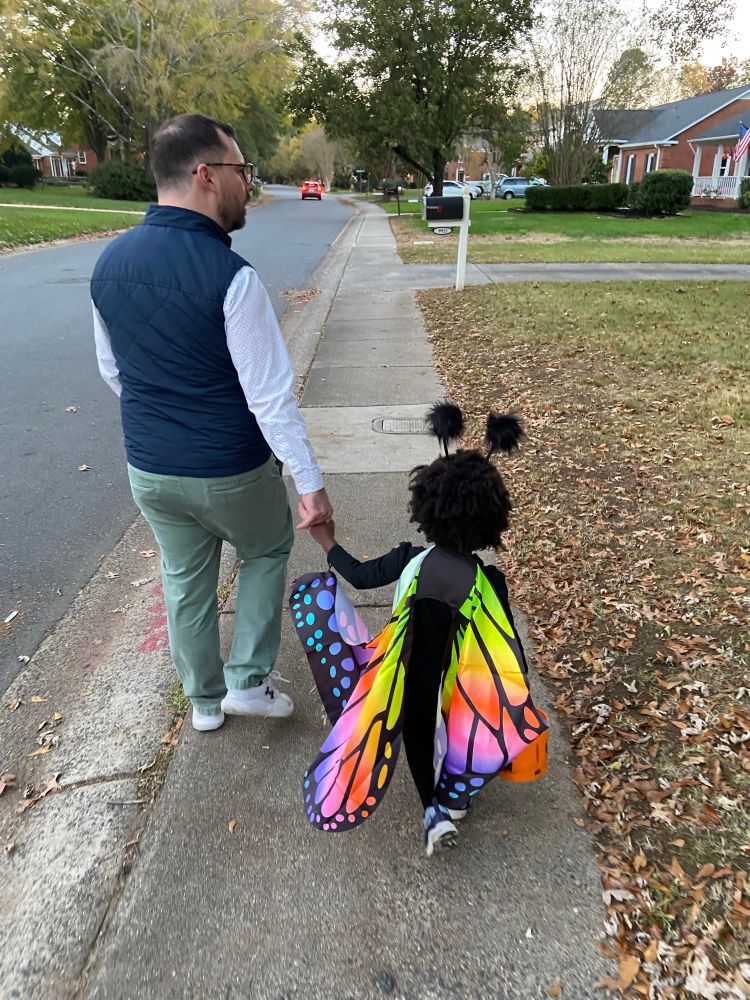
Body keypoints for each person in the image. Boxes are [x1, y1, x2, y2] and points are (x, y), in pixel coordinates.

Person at [90, 113, 332, 733]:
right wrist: (309, 483)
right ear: (205, 175)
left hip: (149, 469)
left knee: (185, 579)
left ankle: (202, 703)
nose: (247, 184)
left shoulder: (108, 264)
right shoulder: (232, 277)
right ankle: (248, 681)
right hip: (229, 468)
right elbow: (270, 398)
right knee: (267, 544)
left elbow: (115, 371)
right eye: (240, 171)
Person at [289, 402, 549, 857]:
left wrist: (327, 541)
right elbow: (507, 644)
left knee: (413, 716)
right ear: (492, 520)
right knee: (463, 729)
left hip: (408, 667)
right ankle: (454, 797)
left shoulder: (410, 557)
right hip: (468, 681)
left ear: (426, 505)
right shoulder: (489, 581)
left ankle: (431, 800)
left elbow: (361, 575)